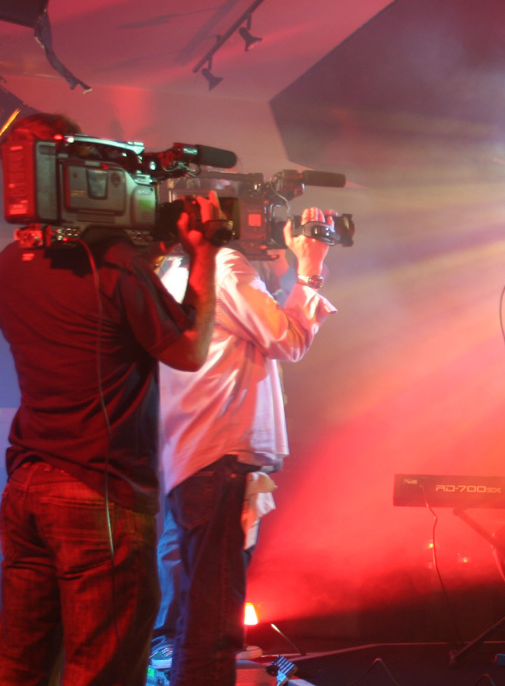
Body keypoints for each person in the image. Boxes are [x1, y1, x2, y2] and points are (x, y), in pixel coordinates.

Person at [0, 113, 220, 686]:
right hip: (98, 494)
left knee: (20, 665)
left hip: (27, 486)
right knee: (103, 668)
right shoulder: (116, 265)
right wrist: (205, 255)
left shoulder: (9, 263)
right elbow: (189, 349)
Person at [149, 208, 340, 685]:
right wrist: (310, 269)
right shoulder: (225, 265)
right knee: (215, 617)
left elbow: (253, 331)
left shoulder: (173, 269)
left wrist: (279, 277)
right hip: (220, 453)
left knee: (201, 604)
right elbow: (287, 339)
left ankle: (175, 660)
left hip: (196, 452)